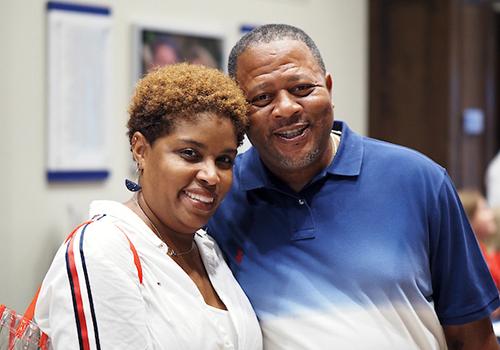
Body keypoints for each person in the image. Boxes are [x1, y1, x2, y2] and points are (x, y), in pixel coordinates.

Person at [207, 24, 500, 349]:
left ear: (329, 88)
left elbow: (474, 337)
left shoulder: (420, 181)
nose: (286, 108)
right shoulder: (220, 198)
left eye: (302, 88)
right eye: (262, 97)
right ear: (238, 111)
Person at [34, 63, 262, 349]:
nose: (211, 175)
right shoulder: (102, 249)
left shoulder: (208, 250)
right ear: (141, 150)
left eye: (224, 160)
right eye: (190, 154)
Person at [458, 189, 500, 288]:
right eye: (484, 209)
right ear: (468, 217)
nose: (491, 215)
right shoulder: (467, 257)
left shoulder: (483, 251)